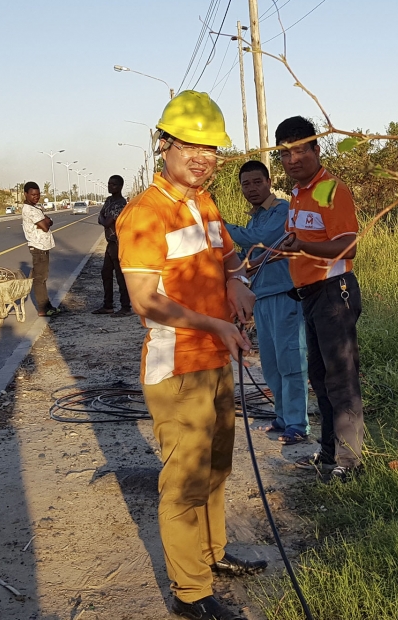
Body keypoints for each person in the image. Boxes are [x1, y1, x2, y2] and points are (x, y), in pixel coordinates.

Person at [116, 91, 264, 620]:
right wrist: (214, 323)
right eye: (190, 145)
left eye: (211, 148)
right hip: (176, 367)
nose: (202, 156)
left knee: (218, 464)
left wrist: (238, 282)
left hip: (216, 356)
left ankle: (211, 556)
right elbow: (145, 300)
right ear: (164, 145)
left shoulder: (203, 202)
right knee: (185, 480)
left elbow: (227, 259)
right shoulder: (142, 214)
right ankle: (190, 593)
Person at [276, 116, 365, 483]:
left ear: (317, 148)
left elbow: (349, 245)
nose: (293, 158)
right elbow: (299, 241)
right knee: (320, 376)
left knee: (340, 378)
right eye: (284, 153)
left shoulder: (331, 190)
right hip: (311, 297)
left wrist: (304, 247)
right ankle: (329, 453)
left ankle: (350, 461)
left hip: (334, 293)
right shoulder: (297, 194)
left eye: (300, 149)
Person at [226, 160, 309, 445]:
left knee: (291, 360)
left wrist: (217, 227)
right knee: (271, 363)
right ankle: (282, 418)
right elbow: (248, 255)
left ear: (269, 182)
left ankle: (298, 424)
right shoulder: (255, 216)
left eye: (257, 182)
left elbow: (259, 239)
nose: (251, 189)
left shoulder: (281, 211)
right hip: (261, 297)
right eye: (245, 184)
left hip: (285, 295)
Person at [93, 175, 132, 317]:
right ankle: (108, 305)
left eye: (113, 184)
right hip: (110, 243)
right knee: (106, 273)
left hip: (118, 243)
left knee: (120, 276)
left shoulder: (121, 204)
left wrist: (103, 218)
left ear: (120, 186)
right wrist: (103, 218)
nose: (110, 187)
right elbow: (100, 217)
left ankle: (125, 307)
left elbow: (106, 222)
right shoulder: (109, 201)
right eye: (109, 184)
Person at [21, 182, 61, 317]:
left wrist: (46, 221)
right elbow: (45, 226)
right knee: (40, 278)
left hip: (43, 246)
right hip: (38, 247)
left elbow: (49, 221)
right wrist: (46, 221)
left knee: (43, 277)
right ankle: (42, 308)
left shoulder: (35, 208)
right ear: (25, 194)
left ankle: (47, 305)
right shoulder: (30, 210)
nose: (35, 197)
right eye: (32, 195)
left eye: (37, 195)